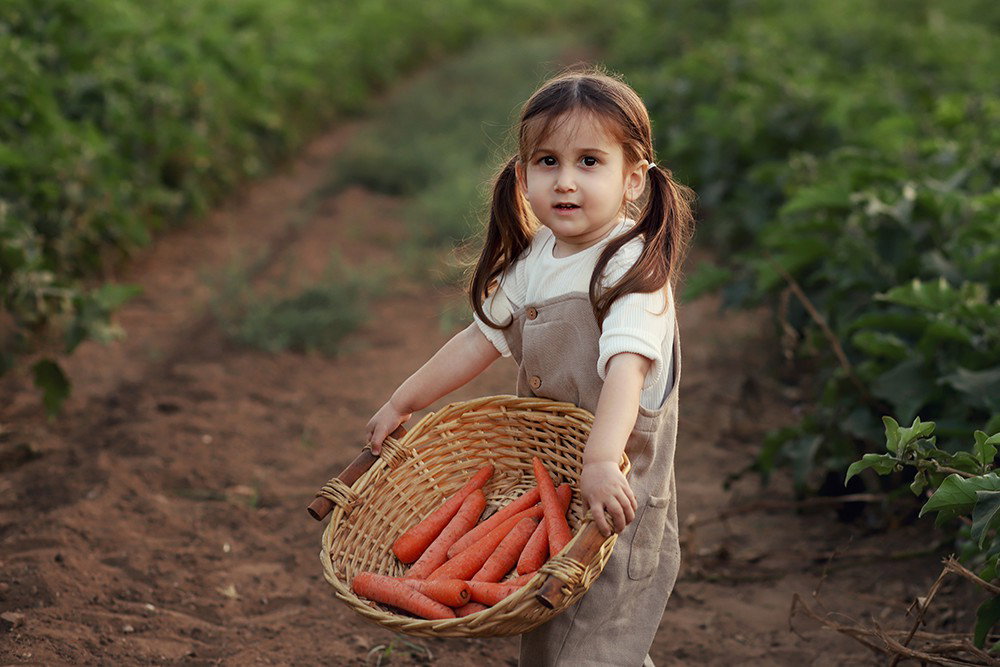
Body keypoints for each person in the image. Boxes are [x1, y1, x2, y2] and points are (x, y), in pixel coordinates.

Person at [364, 66, 695, 667]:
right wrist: (403, 400)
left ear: (633, 178)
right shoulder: (538, 255)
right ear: (522, 175)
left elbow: (626, 372)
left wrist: (599, 463)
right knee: (552, 633)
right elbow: (477, 341)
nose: (565, 182)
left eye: (589, 162)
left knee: (595, 643)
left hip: (616, 493)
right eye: (548, 162)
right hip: (556, 488)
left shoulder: (631, 270)